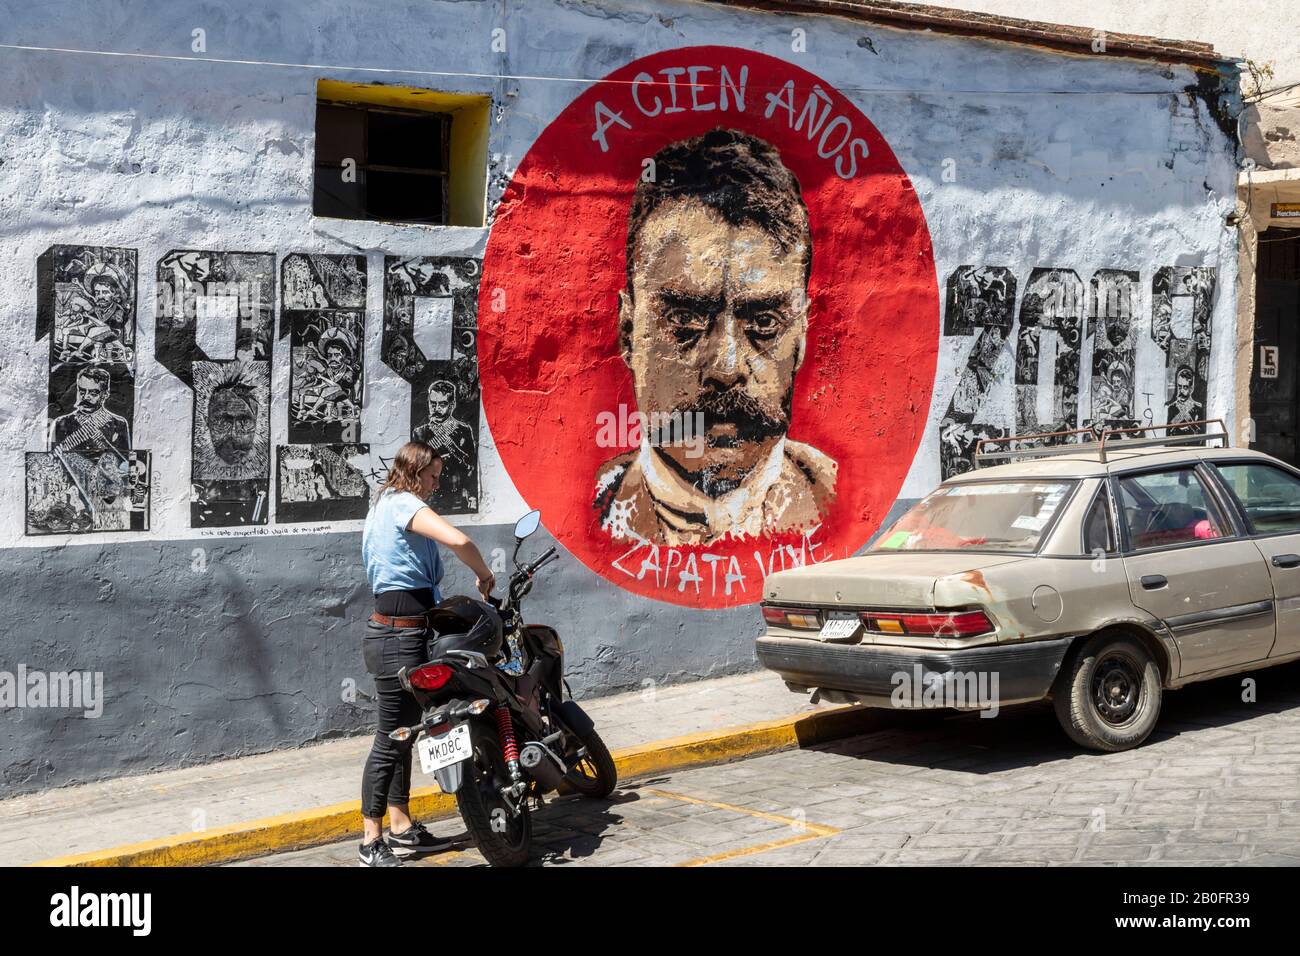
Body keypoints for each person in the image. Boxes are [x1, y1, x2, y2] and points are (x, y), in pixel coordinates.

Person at [593, 128, 836, 546]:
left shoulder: (830, 495)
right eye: (684, 319)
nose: (725, 368)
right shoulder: (599, 503)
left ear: (801, 336)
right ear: (629, 332)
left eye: (763, 323)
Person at [357, 440, 496, 867]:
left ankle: (401, 827)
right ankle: (370, 841)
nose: (436, 485)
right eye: (433, 476)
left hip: (408, 634)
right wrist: (484, 573)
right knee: (389, 738)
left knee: (406, 733)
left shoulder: (383, 505)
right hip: (396, 638)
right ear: (415, 472)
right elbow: (459, 539)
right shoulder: (402, 503)